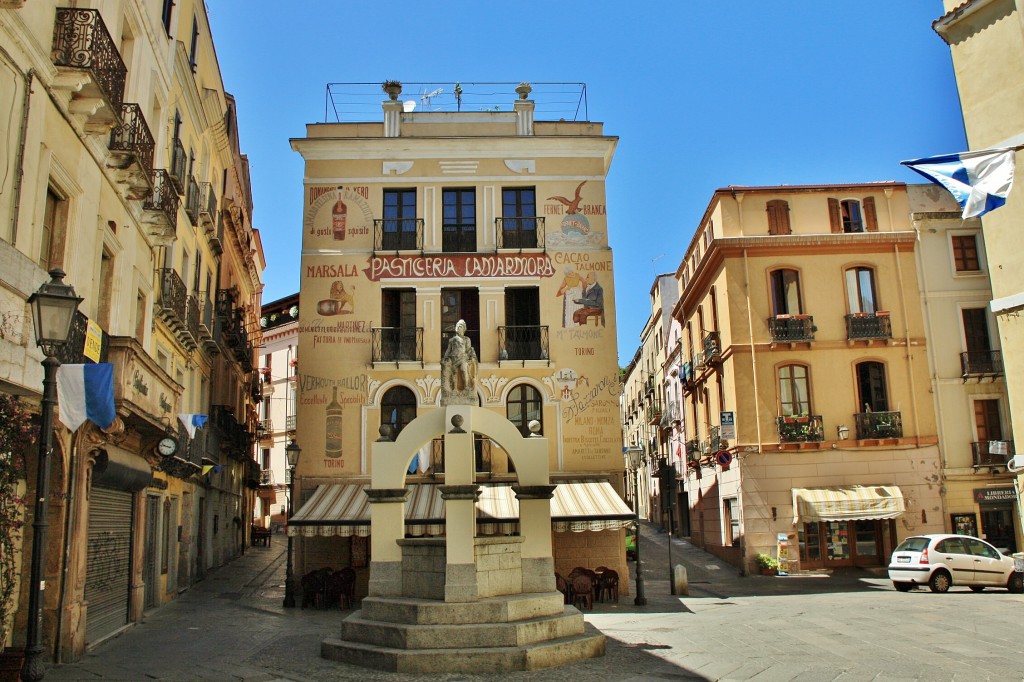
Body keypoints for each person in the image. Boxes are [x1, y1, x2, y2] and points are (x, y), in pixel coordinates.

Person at [440, 319, 477, 405]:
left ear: (464, 329)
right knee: (454, 374)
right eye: (457, 326)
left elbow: (468, 349)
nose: (458, 328)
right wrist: (445, 358)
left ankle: (466, 386)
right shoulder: (452, 340)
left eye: (460, 326)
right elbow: (448, 350)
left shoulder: (466, 339)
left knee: (463, 369)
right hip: (453, 359)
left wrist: (471, 356)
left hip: (463, 358)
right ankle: (454, 389)